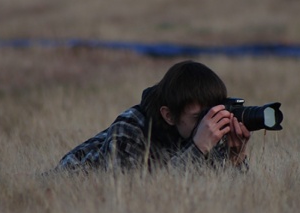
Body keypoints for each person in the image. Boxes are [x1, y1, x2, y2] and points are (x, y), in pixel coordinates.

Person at [53, 60, 251, 172]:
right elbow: (134, 194)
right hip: (61, 186)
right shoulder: (129, 129)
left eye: (214, 113)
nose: (209, 125)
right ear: (168, 115)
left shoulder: (204, 133)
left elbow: (229, 197)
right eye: (199, 117)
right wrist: (197, 149)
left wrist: (236, 159)